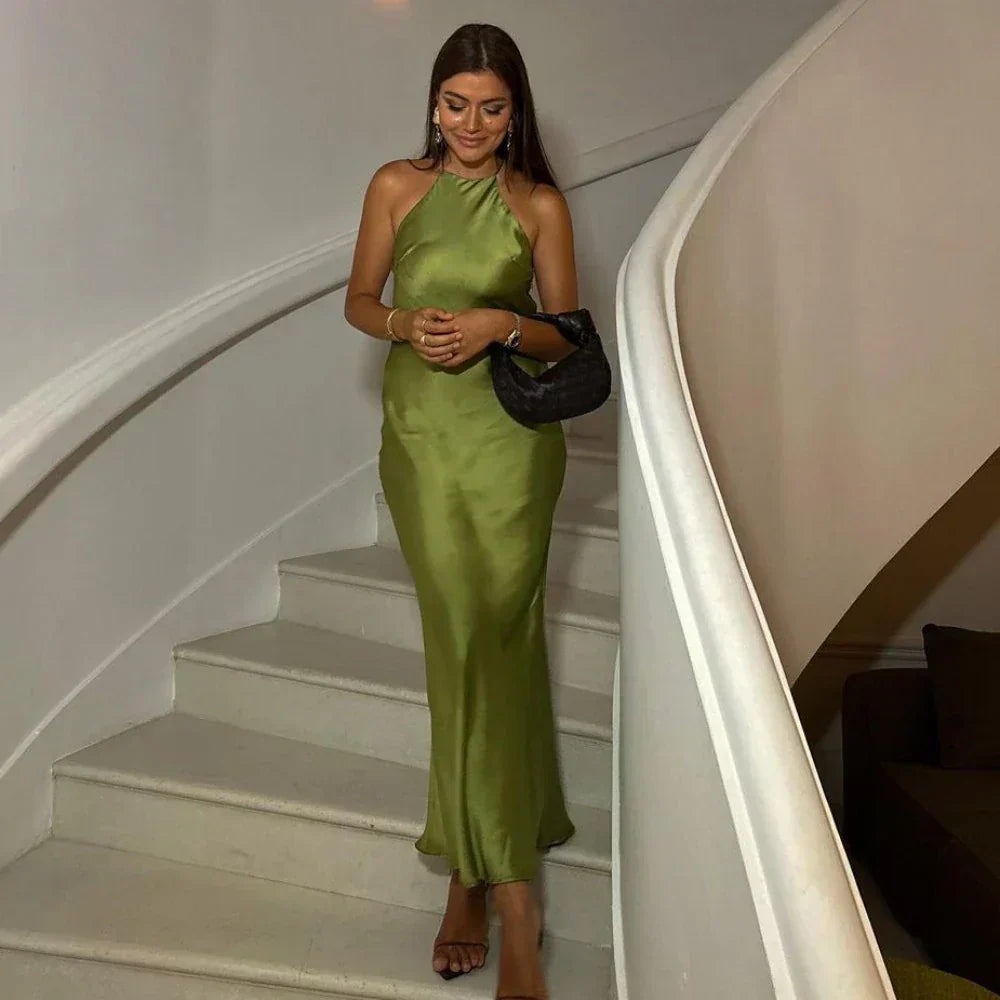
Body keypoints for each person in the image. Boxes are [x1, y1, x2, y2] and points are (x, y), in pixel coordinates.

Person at [344, 22, 580, 1000]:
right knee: (463, 642)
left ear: (514, 111)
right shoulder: (396, 186)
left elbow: (568, 336)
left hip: (512, 450)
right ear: (433, 102)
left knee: (503, 639)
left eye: (490, 108)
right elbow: (360, 300)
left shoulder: (538, 204)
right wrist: (404, 320)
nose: (470, 124)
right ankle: (501, 891)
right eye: (454, 104)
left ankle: (486, 884)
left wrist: (499, 324)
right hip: (424, 442)